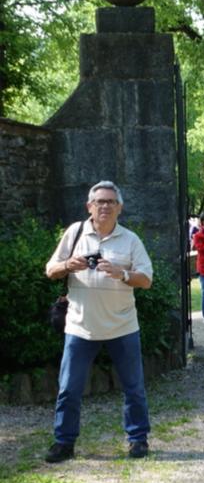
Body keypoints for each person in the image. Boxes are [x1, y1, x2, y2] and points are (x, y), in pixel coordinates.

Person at [43, 181, 154, 463]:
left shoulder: (131, 240)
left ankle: (138, 439)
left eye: (110, 202)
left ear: (120, 208)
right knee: (69, 389)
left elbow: (146, 280)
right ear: (89, 206)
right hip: (80, 327)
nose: (104, 206)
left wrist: (122, 274)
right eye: (99, 201)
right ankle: (64, 442)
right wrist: (68, 265)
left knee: (134, 388)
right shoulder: (75, 233)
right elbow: (51, 270)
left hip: (122, 326)